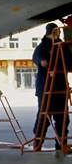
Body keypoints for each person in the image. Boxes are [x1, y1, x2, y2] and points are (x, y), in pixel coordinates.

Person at [32, 22, 71, 152]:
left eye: (58, 32)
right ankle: (37, 143)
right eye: (56, 32)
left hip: (60, 87)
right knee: (44, 118)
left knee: (63, 118)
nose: (58, 34)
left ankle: (61, 145)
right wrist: (41, 61)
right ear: (50, 33)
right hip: (46, 88)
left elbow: (69, 61)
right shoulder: (42, 46)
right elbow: (36, 57)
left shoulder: (63, 46)